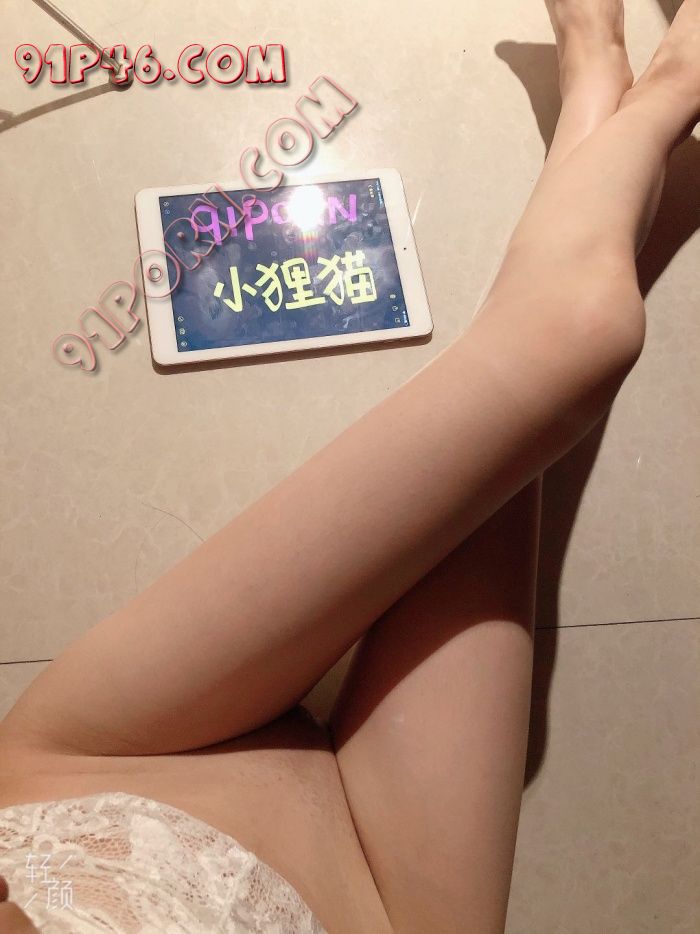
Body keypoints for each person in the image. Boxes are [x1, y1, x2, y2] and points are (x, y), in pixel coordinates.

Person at [0, 1, 697, 931]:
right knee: (543, 381)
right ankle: (634, 95)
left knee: (560, 352)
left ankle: (624, 96)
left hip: (92, 774)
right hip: (379, 905)